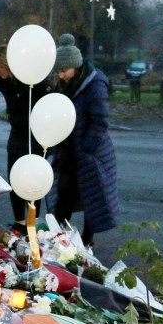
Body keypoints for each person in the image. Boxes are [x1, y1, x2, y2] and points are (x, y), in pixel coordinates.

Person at [50, 34, 120, 247]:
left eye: (64, 71)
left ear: (75, 66)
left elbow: (100, 122)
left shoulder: (95, 84)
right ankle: (58, 237)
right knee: (64, 193)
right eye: (59, 72)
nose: (61, 76)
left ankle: (88, 239)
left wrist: (86, 148)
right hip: (69, 151)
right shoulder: (66, 84)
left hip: (92, 153)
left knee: (93, 197)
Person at [0, 45, 51, 235]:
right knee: (15, 178)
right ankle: (19, 221)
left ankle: (32, 220)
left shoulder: (31, 80)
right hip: (17, 134)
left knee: (33, 180)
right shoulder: (3, 82)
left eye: (0, 66)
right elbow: (12, 107)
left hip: (36, 135)